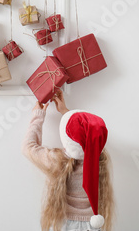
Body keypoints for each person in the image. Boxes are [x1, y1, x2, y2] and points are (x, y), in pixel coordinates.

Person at [22, 90, 114, 231]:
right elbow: (87, 136)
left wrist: (38, 116)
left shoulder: (57, 161)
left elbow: (28, 147)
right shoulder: (100, 160)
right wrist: (65, 111)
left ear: (67, 138)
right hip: (92, 224)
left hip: (63, 224)